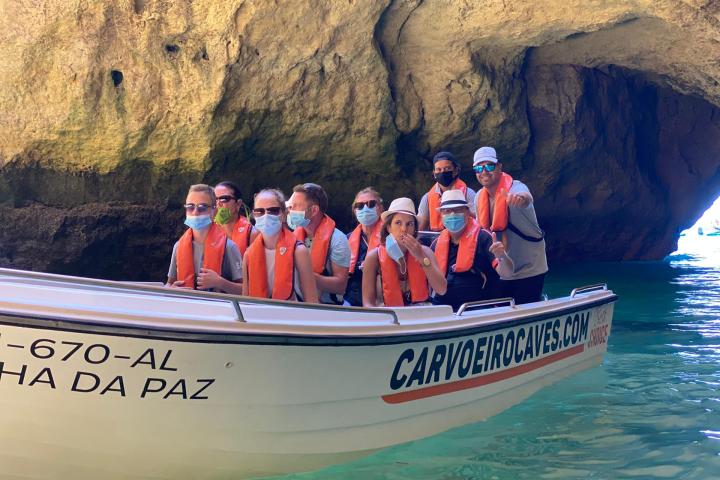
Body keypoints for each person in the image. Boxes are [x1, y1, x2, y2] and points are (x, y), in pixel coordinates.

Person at [473, 146, 547, 304]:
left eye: (489, 166)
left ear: (500, 167)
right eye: (479, 167)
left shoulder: (516, 188)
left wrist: (520, 199)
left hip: (528, 269)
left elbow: (526, 197)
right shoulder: (479, 196)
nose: (484, 171)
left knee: (526, 314)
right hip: (501, 269)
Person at [431, 190, 515, 311]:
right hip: (445, 308)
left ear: (467, 212)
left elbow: (507, 273)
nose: (453, 215)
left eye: (458, 210)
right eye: (447, 211)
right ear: (441, 215)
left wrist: (501, 256)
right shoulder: (435, 244)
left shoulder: (484, 238)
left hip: (478, 308)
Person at [362, 198, 447, 307]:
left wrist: (422, 258)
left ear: (414, 229)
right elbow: (367, 303)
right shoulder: (373, 257)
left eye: (409, 224)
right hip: (387, 315)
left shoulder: (426, 252)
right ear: (389, 227)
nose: (404, 229)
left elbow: (441, 290)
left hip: (421, 314)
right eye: (398, 223)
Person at [242, 189, 319, 303]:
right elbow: (245, 300)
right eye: (260, 211)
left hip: (292, 317)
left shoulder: (299, 251)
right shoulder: (248, 254)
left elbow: (312, 301)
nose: (266, 216)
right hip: (259, 316)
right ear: (254, 215)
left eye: (273, 211)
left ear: (284, 214)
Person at [167, 184, 243, 295]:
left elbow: (245, 290)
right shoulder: (178, 246)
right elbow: (169, 284)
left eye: (202, 208)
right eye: (190, 207)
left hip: (218, 309)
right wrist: (171, 289)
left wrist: (220, 282)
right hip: (186, 308)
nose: (195, 212)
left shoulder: (229, 247)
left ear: (214, 211)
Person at [287, 183, 351, 304]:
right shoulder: (291, 237)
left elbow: (340, 286)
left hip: (328, 308)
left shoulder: (338, 239)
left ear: (314, 210)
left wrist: (304, 275)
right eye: (290, 207)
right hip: (296, 303)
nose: (290, 211)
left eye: (295, 206)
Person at [417, 151, 476, 232]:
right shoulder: (427, 198)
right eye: (439, 169)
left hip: (466, 235)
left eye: (447, 168)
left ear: (456, 170)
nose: (443, 172)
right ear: (434, 173)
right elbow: (420, 227)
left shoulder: (468, 193)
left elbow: (479, 220)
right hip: (438, 239)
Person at [345, 187, 384, 306]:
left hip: (382, 302)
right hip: (351, 300)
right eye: (360, 206)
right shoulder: (347, 239)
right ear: (354, 210)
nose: (365, 208)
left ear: (380, 208)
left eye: (371, 204)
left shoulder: (390, 236)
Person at [214, 181, 258, 256]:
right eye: (214, 199)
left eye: (224, 199)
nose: (218, 204)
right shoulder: (207, 230)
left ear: (238, 204)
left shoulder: (251, 233)